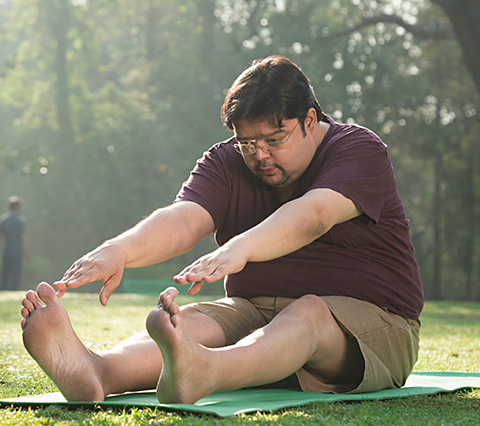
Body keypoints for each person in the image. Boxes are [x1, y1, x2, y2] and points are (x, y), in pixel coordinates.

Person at [20, 56, 423, 404]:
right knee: (190, 323)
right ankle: (97, 372)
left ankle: (206, 370)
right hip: (259, 314)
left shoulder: (358, 149)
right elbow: (183, 219)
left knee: (309, 312)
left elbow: (313, 214)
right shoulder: (227, 161)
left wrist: (242, 247)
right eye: (246, 142)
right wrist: (119, 250)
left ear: (310, 120)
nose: (259, 154)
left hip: (374, 326)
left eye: (273, 139)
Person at [1, 196, 31, 291]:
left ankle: (2, 289)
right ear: (18, 207)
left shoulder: (4, 219)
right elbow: (24, 238)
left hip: (6, 250)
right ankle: (13, 290)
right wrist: (27, 253)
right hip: (17, 251)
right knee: (16, 273)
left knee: (5, 272)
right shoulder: (20, 220)